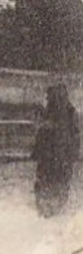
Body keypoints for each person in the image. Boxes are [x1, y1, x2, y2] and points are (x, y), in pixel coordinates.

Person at [34, 83, 80, 217]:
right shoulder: (63, 112)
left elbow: (74, 137)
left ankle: (49, 211)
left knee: (54, 185)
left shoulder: (65, 113)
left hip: (58, 158)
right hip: (55, 158)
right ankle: (48, 210)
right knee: (52, 184)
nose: (48, 99)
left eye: (49, 97)